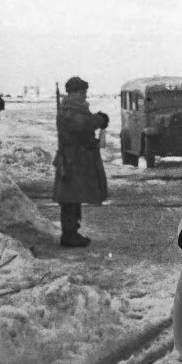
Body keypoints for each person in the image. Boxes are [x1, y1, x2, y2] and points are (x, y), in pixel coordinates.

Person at [53, 76, 109, 247]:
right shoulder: (70, 109)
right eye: (83, 92)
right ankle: (69, 234)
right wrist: (99, 120)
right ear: (75, 92)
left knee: (74, 196)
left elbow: (83, 125)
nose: (85, 95)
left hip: (76, 158)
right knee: (70, 198)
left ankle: (72, 232)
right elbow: (82, 124)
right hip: (72, 160)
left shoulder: (73, 107)